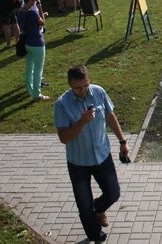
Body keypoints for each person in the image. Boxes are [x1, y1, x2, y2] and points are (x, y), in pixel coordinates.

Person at [54, 65, 129, 243]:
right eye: (78, 88)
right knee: (84, 204)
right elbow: (64, 138)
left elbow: (110, 116)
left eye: (86, 85)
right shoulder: (62, 104)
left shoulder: (98, 92)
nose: (83, 91)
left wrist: (122, 141)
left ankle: (98, 209)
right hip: (78, 162)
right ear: (70, 84)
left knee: (113, 193)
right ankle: (95, 235)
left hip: (102, 156)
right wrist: (81, 122)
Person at [16, 0, 49, 101]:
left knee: (29, 68)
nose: (35, 2)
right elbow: (42, 23)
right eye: (34, 0)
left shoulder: (19, 12)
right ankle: (37, 94)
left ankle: (30, 90)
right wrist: (40, 9)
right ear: (30, 0)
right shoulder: (34, 13)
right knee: (38, 70)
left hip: (27, 43)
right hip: (37, 43)